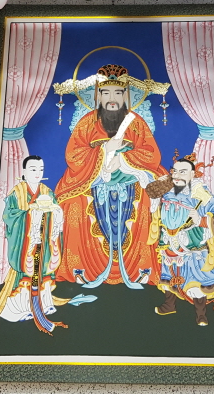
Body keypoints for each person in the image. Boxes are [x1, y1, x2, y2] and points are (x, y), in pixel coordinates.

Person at [54, 64, 167, 289]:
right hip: (91, 179)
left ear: (125, 95)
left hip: (131, 178)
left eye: (117, 93)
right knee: (74, 204)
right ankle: (80, 268)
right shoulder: (87, 122)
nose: (112, 99)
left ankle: (142, 268)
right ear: (98, 95)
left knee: (148, 200)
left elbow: (152, 154)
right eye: (106, 93)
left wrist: (124, 159)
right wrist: (104, 151)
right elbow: (73, 155)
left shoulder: (136, 122)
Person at [151, 155, 214, 326]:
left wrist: (201, 220)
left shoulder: (199, 192)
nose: (177, 175)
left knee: (195, 278)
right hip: (169, 239)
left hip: (191, 241)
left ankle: (201, 314)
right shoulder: (166, 189)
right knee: (169, 275)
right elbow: (152, 198)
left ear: (192, 174)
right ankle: (169, 305)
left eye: (183, 172)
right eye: (175, 171)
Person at [0, 155, 66, 334]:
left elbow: (55, 210)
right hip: (26, 242)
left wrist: (55, 212)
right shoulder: (17, 193)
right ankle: (20, 309)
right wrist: (30, 215)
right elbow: (10, 216)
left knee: (44, 270)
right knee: (26, 274)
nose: (37, 173)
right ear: (24, 171)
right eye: (33, 169)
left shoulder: (46, 191)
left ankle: (44, 303)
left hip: (44, 241)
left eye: (40, 169)